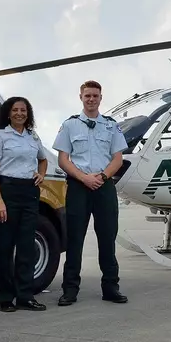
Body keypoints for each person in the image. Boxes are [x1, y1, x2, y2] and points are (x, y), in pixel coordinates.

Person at [53, 80, 129, 305]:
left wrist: (103, 177)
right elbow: (63, 159)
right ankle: (70, 289)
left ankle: (110, 287)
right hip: (78, 186)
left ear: (100, 98)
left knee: (108, 238)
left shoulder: (111, 126)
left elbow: (118, 158)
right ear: (81, 97)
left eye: (95, 96)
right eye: (87, 96)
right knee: (75, 239)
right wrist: (83, 177)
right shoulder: (70, 125)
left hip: (104, 186)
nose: (91, 99)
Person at [0, 96, 49, 312]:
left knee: (26, 247)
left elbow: (43, 159)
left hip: (29, 192)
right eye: (15, 110)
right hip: (8, 191)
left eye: (23, 110)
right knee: (4, 247)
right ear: (8, 113)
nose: (20, 113)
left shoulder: (33, 137)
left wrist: (41, 174)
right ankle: (5, 297)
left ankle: (25, 296)